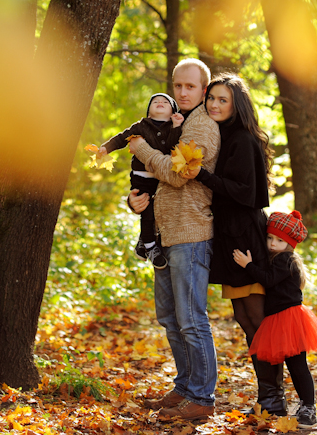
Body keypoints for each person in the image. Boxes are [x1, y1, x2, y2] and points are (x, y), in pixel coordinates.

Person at [180, 73, 283, 415]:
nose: (214, 104)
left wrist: (202, 176)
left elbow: (246, 193)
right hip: (230, 237)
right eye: (211, 98)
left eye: (222, 100)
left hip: (245, 238)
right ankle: (269, 396)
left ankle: (274, 398)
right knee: (245, 318)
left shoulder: (242, 139)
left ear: (236, 105)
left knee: (256, 318)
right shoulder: (223, 135)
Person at [128, 58, 220, 421]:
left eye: (190, 87)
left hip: (190, 233)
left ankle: (202, 397)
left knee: (191, 319)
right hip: (164, 234)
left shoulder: (202, 126)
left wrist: (141, 150)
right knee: (169, 317)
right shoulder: (174, 125)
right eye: (178, 85)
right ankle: (185, 387)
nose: (182, 92)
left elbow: (179, 174)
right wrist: (135, 200)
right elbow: (154, 179)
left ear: (204, 90)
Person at [232, 210, 317, 428]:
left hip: (290, 319)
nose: (272, 243)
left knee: (298, 366)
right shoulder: (278, 258)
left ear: (290, 244)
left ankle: (309, 407)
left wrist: (248, 265)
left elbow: (268, 280)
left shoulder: (285, 259)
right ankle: (296, 404)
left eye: (279, 240)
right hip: (279, 319)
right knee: (294, 365)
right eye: (270, 238)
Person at [98, 93, 184, 269]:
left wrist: (176, 126)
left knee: (157, 209)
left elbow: (172, 146)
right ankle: (150, 247)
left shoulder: (173, 127)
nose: (160, 103)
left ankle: (142, 243)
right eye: (155, 101)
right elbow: (122, 137)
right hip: (142, 176)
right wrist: (106, 148)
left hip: (160, 177)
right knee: (147, 210)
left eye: (165, 102)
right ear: (149, 112)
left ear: (173, 112)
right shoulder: (141, 126)